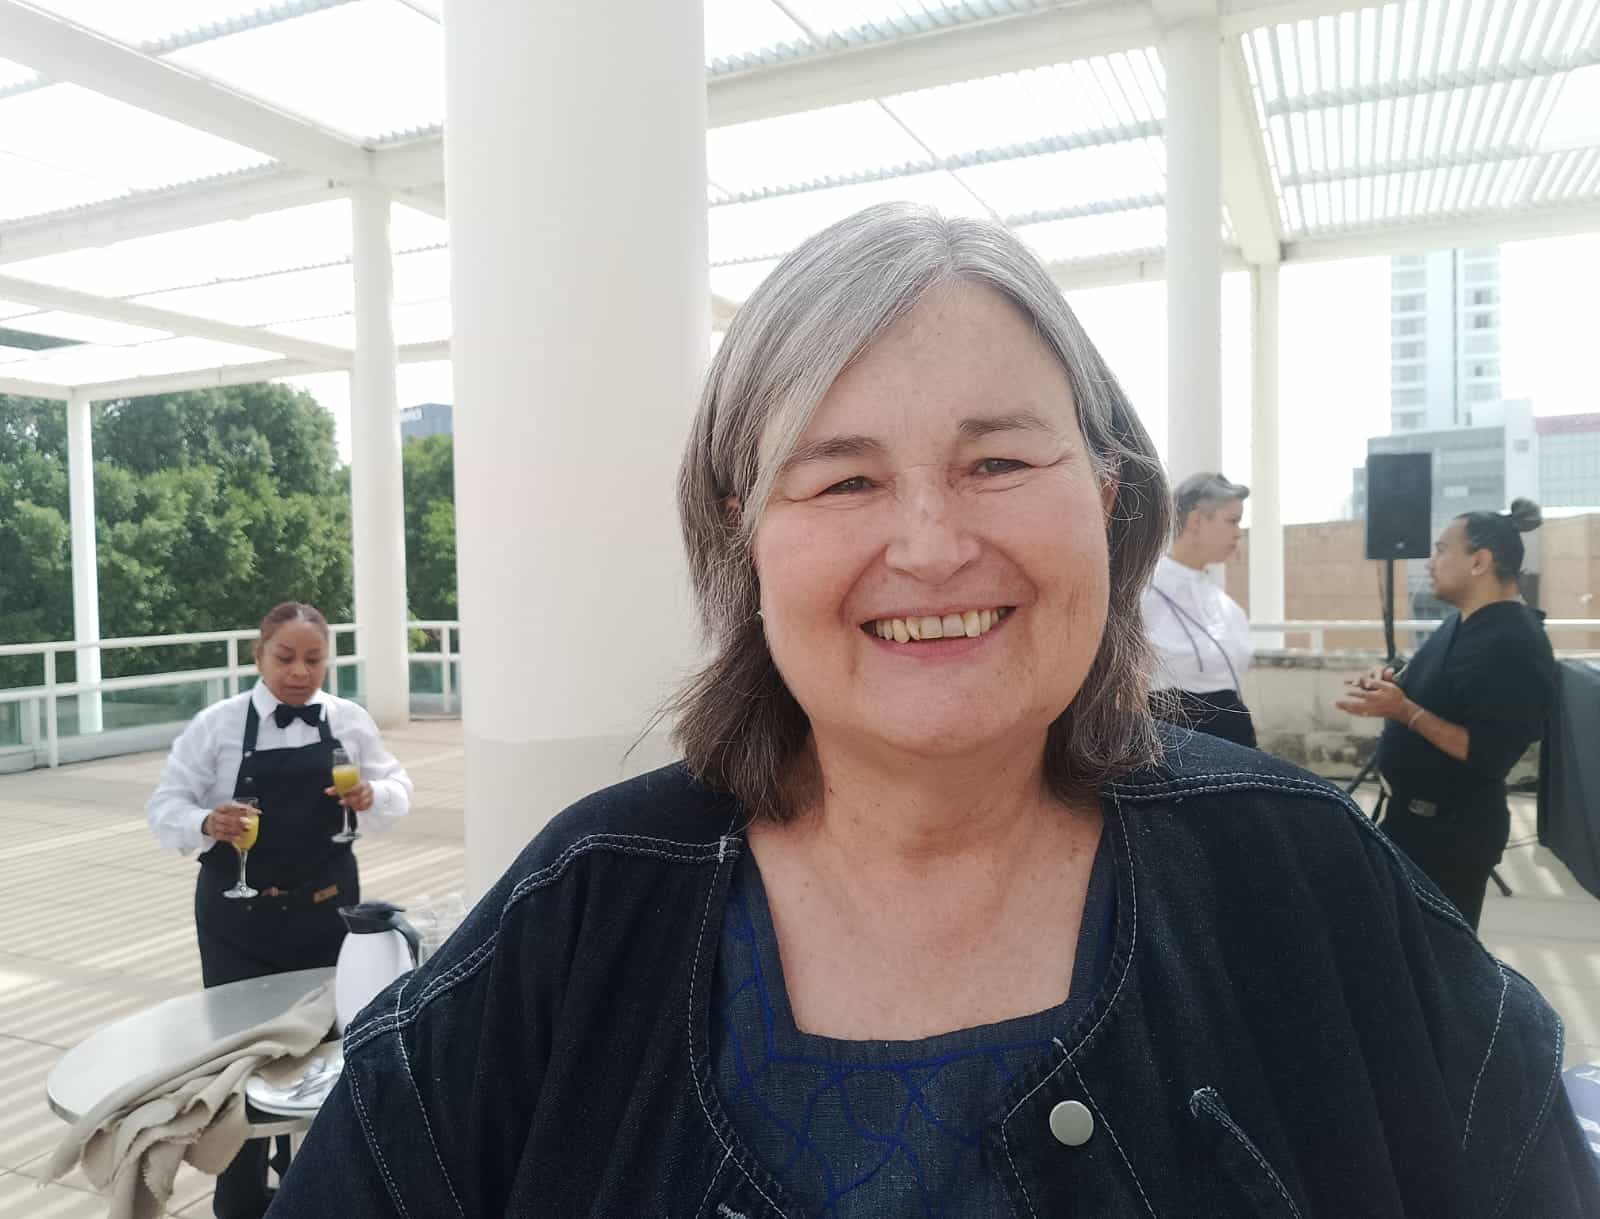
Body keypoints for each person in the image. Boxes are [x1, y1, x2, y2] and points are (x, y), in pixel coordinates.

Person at [269, 207, 1596, 1217]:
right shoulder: (576, 923)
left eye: (998, 460)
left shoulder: (1305, 882)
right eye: (843, 480)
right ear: (744, 537)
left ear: (1106, 497)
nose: (931, 544)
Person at [147, 601, 413, 1219]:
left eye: (314, 659)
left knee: (325, 1052)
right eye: (286, 657)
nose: (300, 671)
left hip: (327, 914)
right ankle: (239, 1199)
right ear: (258, 655)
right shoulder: (216, 725)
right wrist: (205, 821)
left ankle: (312, 1186)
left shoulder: (348, 721)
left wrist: (372, 794)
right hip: (235, 920)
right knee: (242, 1056)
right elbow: (165, 806)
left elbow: (398, 789)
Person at [1336, 500, 1556, 931]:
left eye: (1440, 550)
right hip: (1412, 826)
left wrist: (1404, 710)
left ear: (1479, 561)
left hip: (1451, 840)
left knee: (1437, 960)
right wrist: (1391, 685)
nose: (1430, 562)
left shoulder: (1516, 643)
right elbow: (1435, 688)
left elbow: (1489, 753)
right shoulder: (1463, 622)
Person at [1143, 472, 1257, 747]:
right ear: (1196, 521)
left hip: (1233, 736)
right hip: (1173, 739)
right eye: (1232, 521)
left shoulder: (1225, 605)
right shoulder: (1141, 592)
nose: (1239, 532)